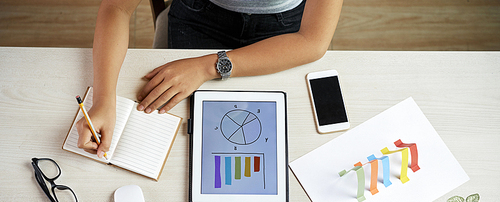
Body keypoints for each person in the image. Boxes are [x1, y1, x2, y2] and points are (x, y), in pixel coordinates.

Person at [77, 0, 343, 158]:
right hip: (200, 14)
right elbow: (116, 7)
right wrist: (103, 100)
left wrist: (208, 67)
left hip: (287, 30)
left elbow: (313, 42)